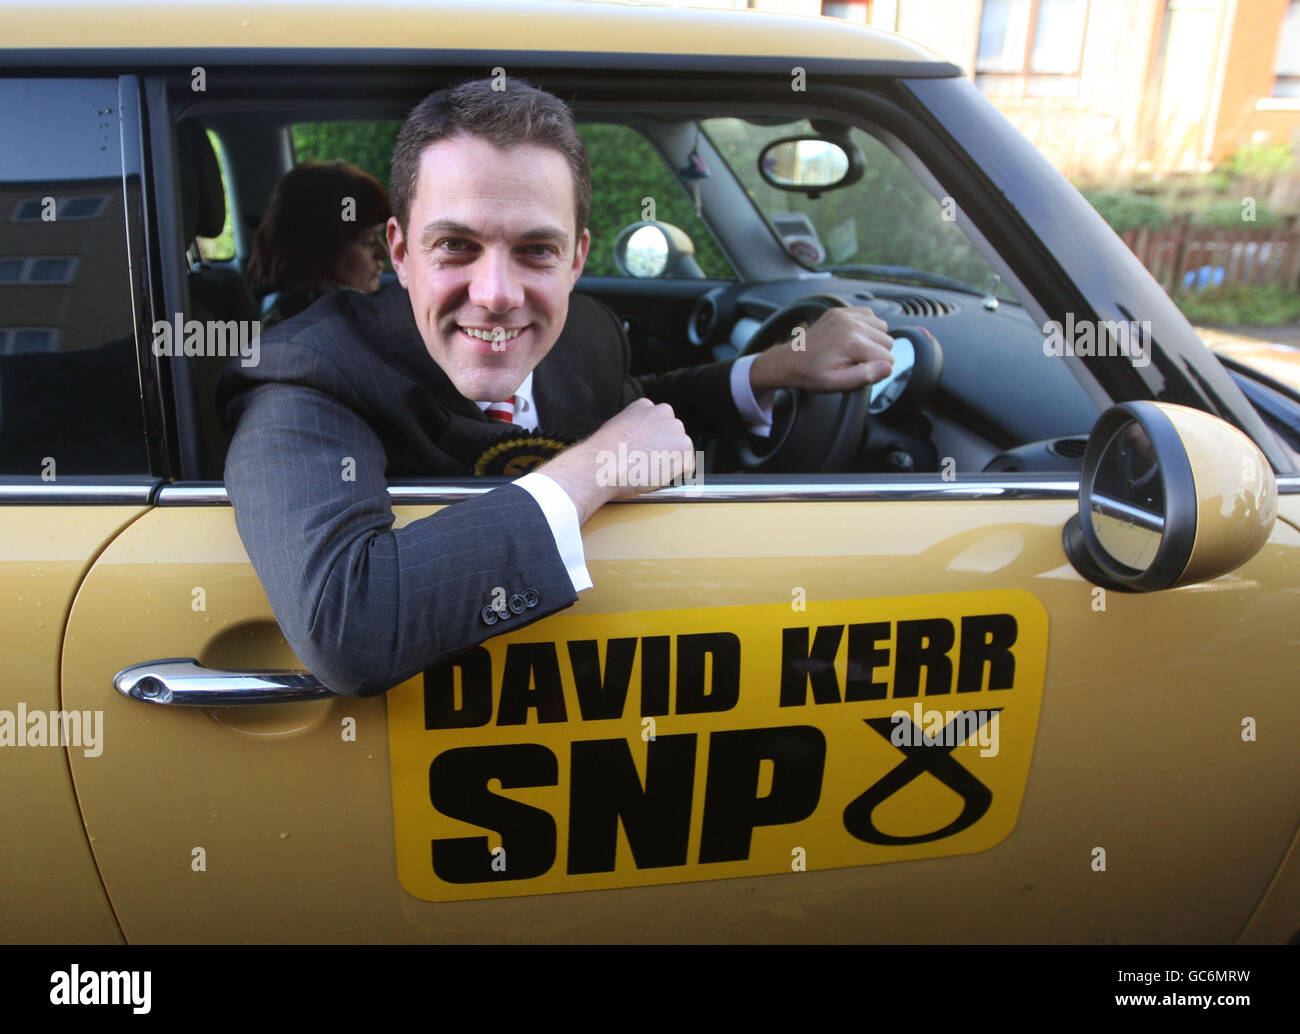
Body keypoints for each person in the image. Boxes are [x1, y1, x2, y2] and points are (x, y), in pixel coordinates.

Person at [218, 78, 896, 696]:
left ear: (576, 258)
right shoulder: (307, 371)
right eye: (455, 246)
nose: (496, 296)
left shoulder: (588, 332)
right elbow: (351, 627)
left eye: (536, 250)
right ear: (400, 252)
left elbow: (630, 405)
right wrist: (597, 469)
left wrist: (775, 367)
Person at [245, 160, 390, 327]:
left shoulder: (290, 314)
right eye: (368, 241)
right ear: (321, 251)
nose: (383, 252)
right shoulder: (328, 329)